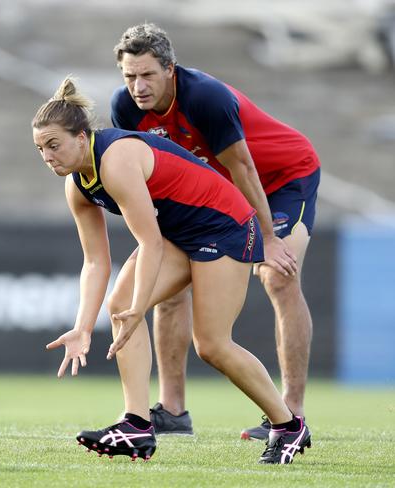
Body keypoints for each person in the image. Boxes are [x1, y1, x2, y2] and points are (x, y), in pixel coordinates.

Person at [33, 76, 311, 464]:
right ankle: (136, 425)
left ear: (82, 137)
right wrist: (82, 326)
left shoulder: (115, 161)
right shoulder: (77, 186)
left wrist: (140, 305)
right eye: (40, 148)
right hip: (179, 233)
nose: (47, 155)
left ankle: (288, 426)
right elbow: (95, 261)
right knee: (121, 307)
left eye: (53, 144)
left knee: (212, 344)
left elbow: (149, 243)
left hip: (225, 224)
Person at [111, 23, 321, 440]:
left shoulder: (205, 97)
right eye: (130, 76)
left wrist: (270, 237)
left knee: (278, 275)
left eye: (147, 74)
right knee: (166, 286)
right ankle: (173, 411)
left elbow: (244, 168)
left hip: (281, 178)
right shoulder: (127, 108)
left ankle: (291, 410)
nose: (138, 86)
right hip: (219, 192)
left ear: (170, 69)